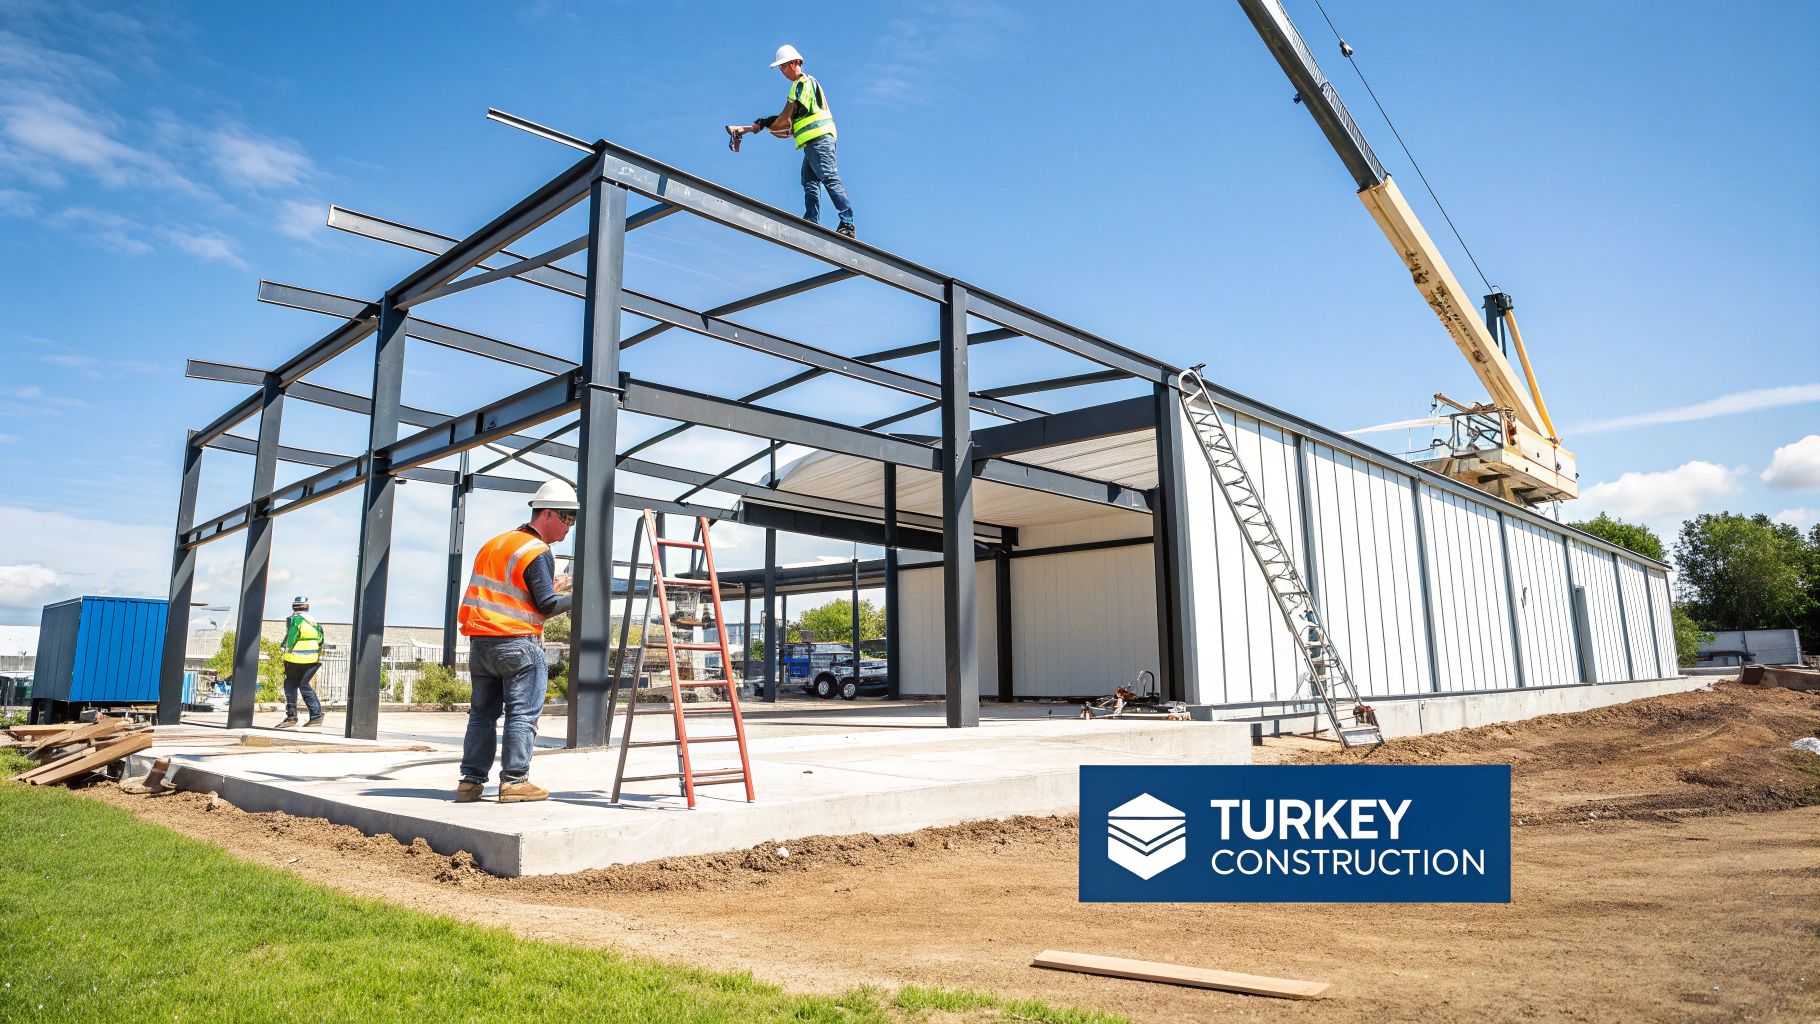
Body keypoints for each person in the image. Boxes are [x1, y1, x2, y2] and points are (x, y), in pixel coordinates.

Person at [453, 480, 577, 803]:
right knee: (522, 714)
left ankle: (470, 782)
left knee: (481, 714)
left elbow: (506, 591)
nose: (569, 527)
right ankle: (514, 780)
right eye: (568, 518)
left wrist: (552, 587)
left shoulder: (496, 544)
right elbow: (546, 605)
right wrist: (576, 598)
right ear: (547, 514)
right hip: (518, 646)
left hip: (481, 644)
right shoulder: (537, 551)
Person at [728, 44, 856, 238]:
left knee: (828, 177)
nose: (783, 71)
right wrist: (760, 125)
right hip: (811, 142)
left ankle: (847, 222)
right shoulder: (801, 86)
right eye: (781, 68)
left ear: (796, 63)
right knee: (809, 181)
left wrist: (765, 123)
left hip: (819, 140)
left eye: (785, 66)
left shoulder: (803, 84)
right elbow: (789, 123)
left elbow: (786, 118)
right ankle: (811, 220)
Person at [275, 596, 324, 730]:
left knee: (290, 684)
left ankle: (291, 716)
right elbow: (321, 638)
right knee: (304, 685)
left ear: (294, 607)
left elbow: (291, 638)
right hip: (312, 659)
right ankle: (316, 716)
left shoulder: (296, 620)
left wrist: (284, 649)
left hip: (295, 659)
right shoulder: (314, 621)